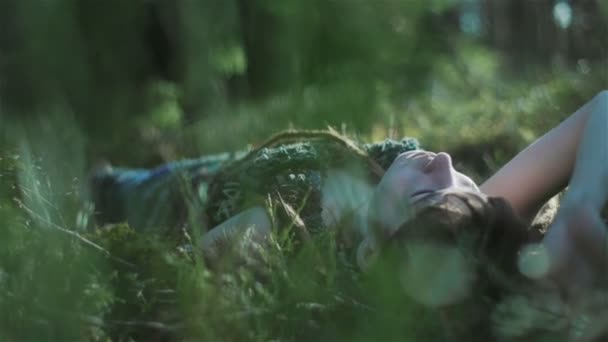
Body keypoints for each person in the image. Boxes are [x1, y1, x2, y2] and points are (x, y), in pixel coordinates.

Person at [91, 91, 608, 302]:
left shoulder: (302, 242)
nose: (447, 165)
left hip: (163, 198)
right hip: (232, 162)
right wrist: (579, 204)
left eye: (429, 193)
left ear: (372, 254)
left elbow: (187, 261)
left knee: (106, 189)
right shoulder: (467, 226)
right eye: (470, 189)